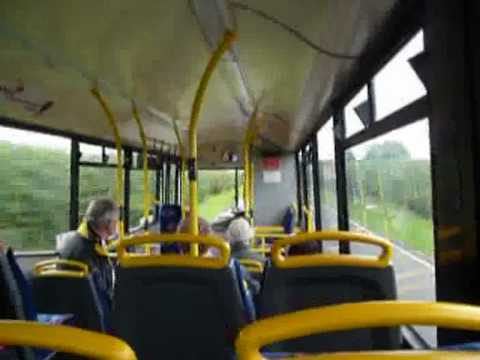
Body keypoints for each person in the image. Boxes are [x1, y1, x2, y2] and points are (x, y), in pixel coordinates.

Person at [58, 198, 117, 314]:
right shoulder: (92, 253)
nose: (117, 224)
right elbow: (105, 296)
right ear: (108, 223)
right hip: (90, 316)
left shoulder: (70, 240)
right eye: (116, 220)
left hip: (68, 309)